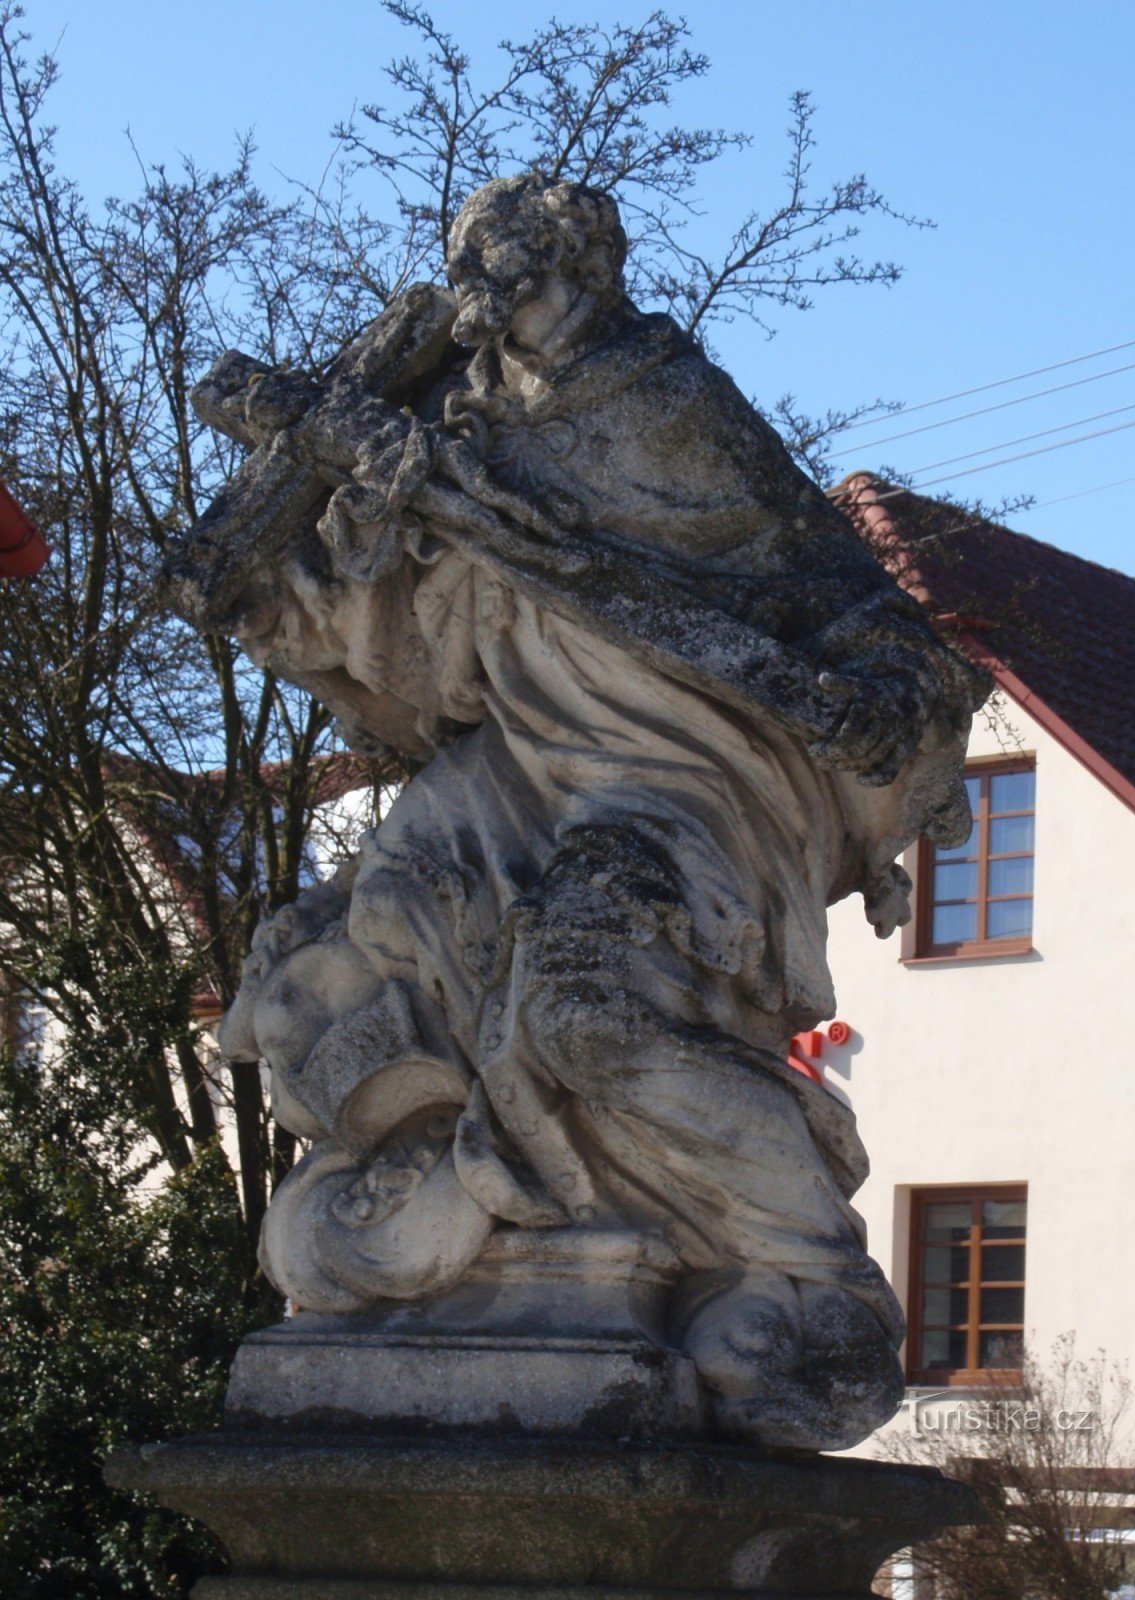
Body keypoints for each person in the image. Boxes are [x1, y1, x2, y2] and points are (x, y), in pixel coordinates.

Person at [208, 174, 984, 1449]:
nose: (484, 292)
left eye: (510, 264)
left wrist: (892, 697)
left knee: (582, 1009)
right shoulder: (449, 419)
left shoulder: (662, 405)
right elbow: (398, 629)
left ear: (585, 266)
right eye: (472, 266)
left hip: (679, 775)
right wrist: (332, 543)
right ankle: (442, 1251)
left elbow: (837, 592)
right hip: (516, 760)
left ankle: (813, 1273)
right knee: (351, 952)